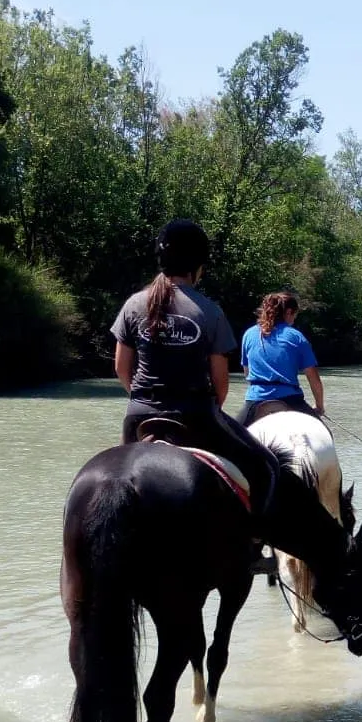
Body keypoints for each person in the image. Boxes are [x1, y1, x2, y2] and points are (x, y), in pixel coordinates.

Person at [111, 219, 279, 534]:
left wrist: (143, 398)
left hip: (138, 416)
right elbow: (221, 383)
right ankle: (253, 540)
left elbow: (121, 368)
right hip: (195, 416)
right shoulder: (210, 311)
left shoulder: (133, 305)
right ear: (197, 266)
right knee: (265, 467)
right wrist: (212, 409)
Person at [239, 292, 326, 427]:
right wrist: (319, 406)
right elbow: (313, 378)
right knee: (323, 433)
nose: (294, 320)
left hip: (255, 399)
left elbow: (247, 374)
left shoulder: (249, 334)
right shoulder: (296, 336)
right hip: (290, 399)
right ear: (289, 312)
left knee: (232, 436)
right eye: (295, 315)